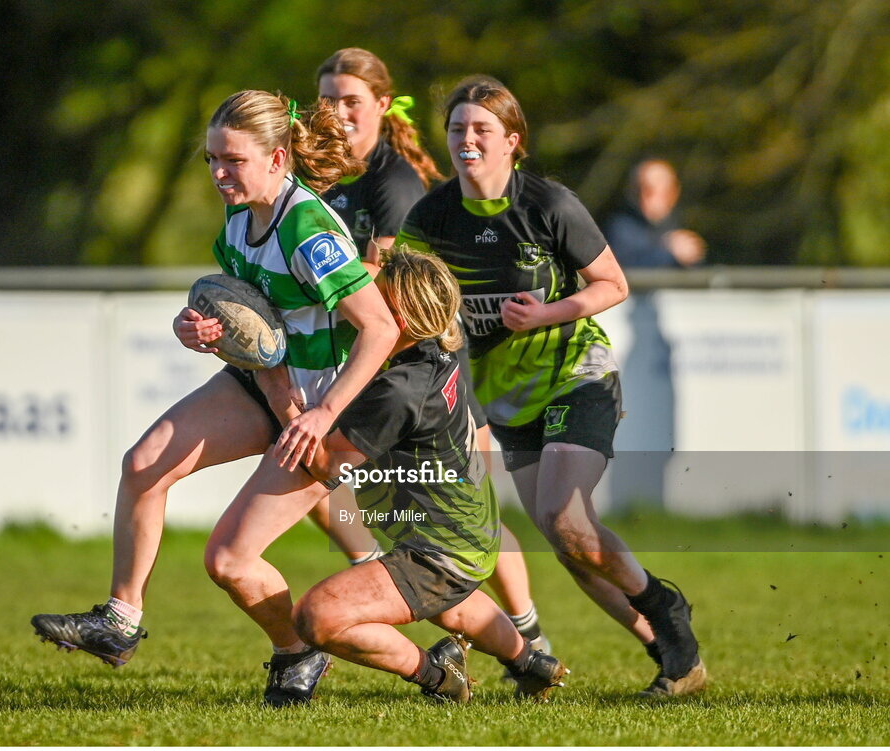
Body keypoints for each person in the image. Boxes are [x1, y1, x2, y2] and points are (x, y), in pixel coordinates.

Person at [31, 90, 400, 707]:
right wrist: (199, 330)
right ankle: (120, 622)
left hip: (327, 406)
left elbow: (382, 328)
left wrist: (321, 412)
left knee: (231, 561)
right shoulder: (237, 219)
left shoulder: (307, 229)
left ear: (278, 158)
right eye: (209, 160)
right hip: (273, 388)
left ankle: (464, 648)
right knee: (143, 463)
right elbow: (251, 330)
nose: (218, 173)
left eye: (232, 160)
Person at [396, 76, 707, 698]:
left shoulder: (548, 204)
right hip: (505, 398)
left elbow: (611, 284)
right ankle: (671, 653)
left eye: (482, 129)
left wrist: (544, 315)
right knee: (570, 545)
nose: (468, 140)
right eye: (458, 129)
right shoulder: (430, 215)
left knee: (564, 521)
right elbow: (402, 299)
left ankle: (665, 609)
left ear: (513, 141)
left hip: (574, 375)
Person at [312, 48, 550, 658]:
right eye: (327, 101)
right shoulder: (322, 175)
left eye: (351, 101)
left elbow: (385, 279)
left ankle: (523, 630)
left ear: (383, 105)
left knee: (466, 507)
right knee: (331, 484)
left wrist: (307, 281)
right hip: (369, 359)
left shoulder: (392, 182)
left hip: (424, 359)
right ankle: (396, 590)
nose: (338, 114)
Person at [255, 246, 568, 703]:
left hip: (439, 550)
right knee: (450, 602)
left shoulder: (399, 390)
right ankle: (530, 663)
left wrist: (275, 388)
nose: (362, 297)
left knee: (316, 616)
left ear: (397, 315)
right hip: (465, 536)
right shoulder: (425, 345)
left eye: (374, 293)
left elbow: (323, 465)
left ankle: (437, 676)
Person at [604, 159, 706, 268]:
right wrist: (668, 252)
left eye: (664, 190)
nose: (655, 197)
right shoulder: (620, 227)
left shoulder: (682, 223)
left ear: (675, 192)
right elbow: (622, 268)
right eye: (648, 189)